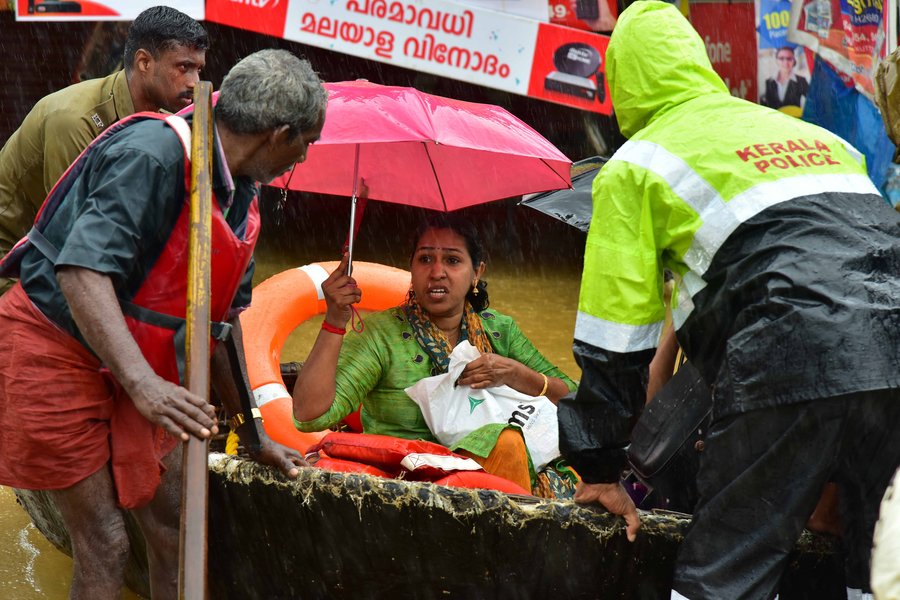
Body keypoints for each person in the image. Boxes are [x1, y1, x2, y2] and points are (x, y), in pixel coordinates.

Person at [557, 2, 900, 599]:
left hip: (791, 345)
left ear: (623, 86)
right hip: (892, 344)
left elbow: (614, 343)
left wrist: (604, 468)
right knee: (876, 564)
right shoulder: (816, 137)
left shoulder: (636, 165)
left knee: (724, 571)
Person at [0, 49, 326, 599]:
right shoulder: (152, 155)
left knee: (174, 523)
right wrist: (144, 385)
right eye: (306, 144)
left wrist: (253, 433)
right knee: (105, 540)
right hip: (56, 344)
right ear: (282, 133)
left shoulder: (241, 194)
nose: (303, 157)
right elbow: (81, 271)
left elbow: (222, 325)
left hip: (138, 355)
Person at [292, 214, 578, 495]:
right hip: (409, 483)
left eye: (452, 260)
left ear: (476, 273)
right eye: (425, 259)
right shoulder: (381, 335)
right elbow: (309, 416)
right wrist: (335, 320)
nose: (437, 271)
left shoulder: (498, 330)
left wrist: (517, 375)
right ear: (412, 268)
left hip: (497, 481)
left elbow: (574, 399)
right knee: (505, 443)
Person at [0, 5, 209, 295]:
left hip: (53, 257)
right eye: (183, 67)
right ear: (144, 63)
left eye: (198, 69)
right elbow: (76, 240)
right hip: (13, 260)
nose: (194, 83)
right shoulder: (75, 119)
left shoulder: (164, 117)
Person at [760, 45, 810, 112]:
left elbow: (813, 101)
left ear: (793, 60)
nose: (785, 62)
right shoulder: (768, 82)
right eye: (781, 58)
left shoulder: (801, 81)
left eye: (789, 58)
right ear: (777, 60)